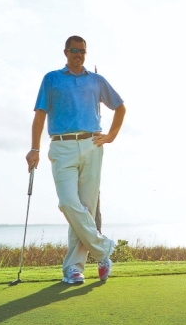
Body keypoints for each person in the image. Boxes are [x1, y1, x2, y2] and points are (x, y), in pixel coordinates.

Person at [26, 35, 126, 284]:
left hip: (92, 144)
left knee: (86, 208)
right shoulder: (52, 79)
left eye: (82, 51)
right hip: (62, 146)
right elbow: (40, 115)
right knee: (69, 203)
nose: (78, 54)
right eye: (73, 50)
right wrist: (34, 149)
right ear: (65, 52)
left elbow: (120, 107)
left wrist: (111, 136)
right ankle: (103, 250)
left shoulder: (96, 80)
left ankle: (73, 268)